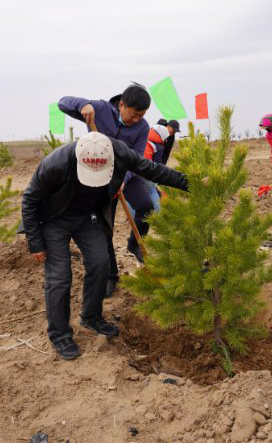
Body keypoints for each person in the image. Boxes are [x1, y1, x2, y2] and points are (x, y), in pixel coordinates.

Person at [22, 131, 188, 360]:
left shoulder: (120, 152)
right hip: (54, 219)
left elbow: (153, 170)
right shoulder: (57, 162)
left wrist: (189, 183)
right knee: (60, 276)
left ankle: (91, 316)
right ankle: (60, 334)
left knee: (101, 264)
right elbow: (30, 199)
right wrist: (35, 243)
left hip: (88, 216)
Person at [58, 84, 152, 293]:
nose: (137, 119)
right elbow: (63, 102)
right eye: (135, 114)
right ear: (121, 105)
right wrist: (83, 105)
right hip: (99, 176)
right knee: (105, 227)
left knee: (147, 206)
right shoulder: (100, 109)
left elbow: (137, 157)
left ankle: (134, 244)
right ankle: (111, 276)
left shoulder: (142, 127)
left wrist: (124, 177)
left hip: (126, 174)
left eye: (142, 115)